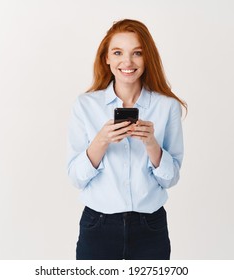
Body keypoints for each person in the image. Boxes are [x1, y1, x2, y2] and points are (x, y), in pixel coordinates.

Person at [67, 19, 187, 260]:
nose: (128, 62)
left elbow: (171, 178)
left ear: (147, 58)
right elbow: (76, 178)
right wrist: (101, 141)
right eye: (118, 52)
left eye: (137, 53)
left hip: (150, 227)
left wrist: (152, 144)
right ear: (106, 58)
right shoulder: (85, 105)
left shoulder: (167, 107)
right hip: (97, 225)